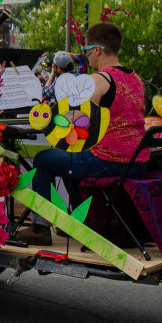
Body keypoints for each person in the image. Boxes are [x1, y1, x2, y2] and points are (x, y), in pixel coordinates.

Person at [17, 23, 149, 246]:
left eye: (86, 50)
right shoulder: (135, 78)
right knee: (70, 159)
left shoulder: (100, 80)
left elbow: (78, 123)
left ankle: (40, 228)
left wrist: (44, 117)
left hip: (110, 160)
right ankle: (80, 223)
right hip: (137, 161)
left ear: (97, 50)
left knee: (43, 159)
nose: (85, 56)